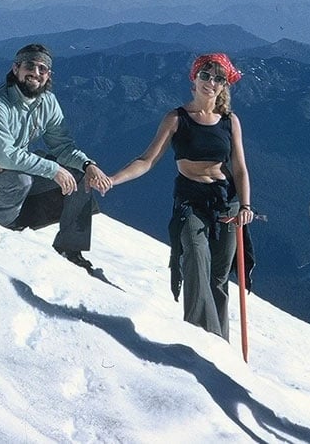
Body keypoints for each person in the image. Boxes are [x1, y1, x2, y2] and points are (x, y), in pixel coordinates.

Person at [104, 53, 255, 339]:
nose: (211, 82)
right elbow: (147, 160)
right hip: (191, 202)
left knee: (218, 278)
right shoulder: (177, 119)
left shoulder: (230, 121)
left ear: (225, 86)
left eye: (218, 78)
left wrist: (245, 205)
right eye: (206, 75)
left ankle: (220, 345)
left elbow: (239, 168)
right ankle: (203, 340)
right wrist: (113, 179)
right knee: (196, 262)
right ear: (194, 79)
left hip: (226, 201)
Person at [0, 44, 112, 271]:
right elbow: (5, 156)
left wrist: (87, 164)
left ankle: (70, 249)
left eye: (42, 69)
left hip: (13, 173)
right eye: (29, 66)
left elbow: (63, 146)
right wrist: (53, 170)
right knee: (20, 180)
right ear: (16, 69)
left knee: (80, 176)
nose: (35, 73)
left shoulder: (48, 102)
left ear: (48, 75)